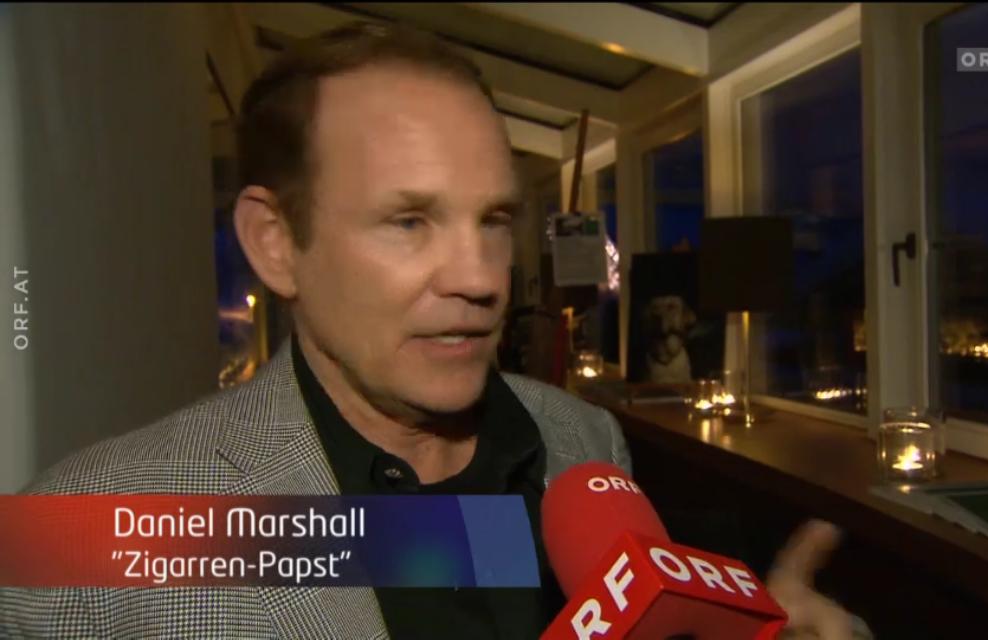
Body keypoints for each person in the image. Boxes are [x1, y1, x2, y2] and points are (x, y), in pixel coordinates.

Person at [1, 23, 858, 639]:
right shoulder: (88, 536)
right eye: (409, 221)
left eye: (494, 220)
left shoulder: (581, 441)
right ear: (276, 242)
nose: (481, 278)